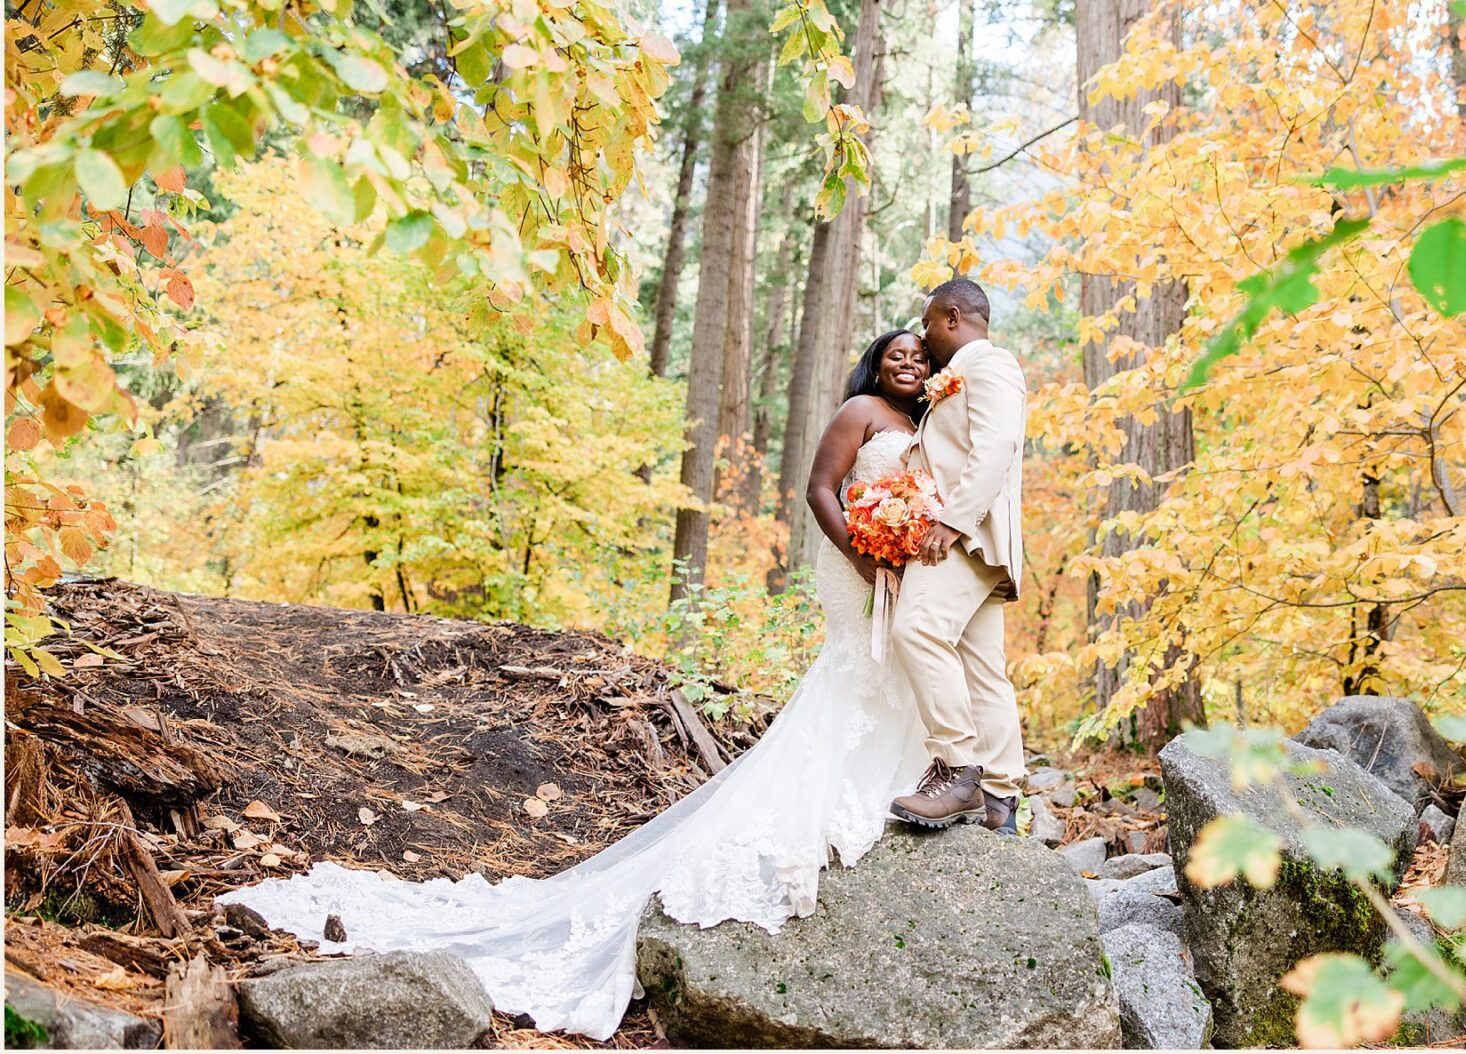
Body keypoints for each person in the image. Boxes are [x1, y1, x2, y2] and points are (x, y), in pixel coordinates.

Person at [219, 328, 952, 1041]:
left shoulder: (927, 424)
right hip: (854, 562)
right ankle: (832, 803)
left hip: (902, 567)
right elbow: (822, 491)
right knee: (857, 666)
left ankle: (888, 785)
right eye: (898, 355)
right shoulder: (859, 414)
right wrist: (861, 550)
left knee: (897, 667)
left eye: (920, 357)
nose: (910, 364)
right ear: (876, 365)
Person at [888, 276, 1029, 834]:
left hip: (965, 537)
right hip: (975, 540)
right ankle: (1000, 798)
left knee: (916, 630)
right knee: (983, 669)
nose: (924, 340)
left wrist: (950, 521)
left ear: (952, 316)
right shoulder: (961, 376)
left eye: (926, 326)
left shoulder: (990, 365)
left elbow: (996, 448)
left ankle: (957, 770)